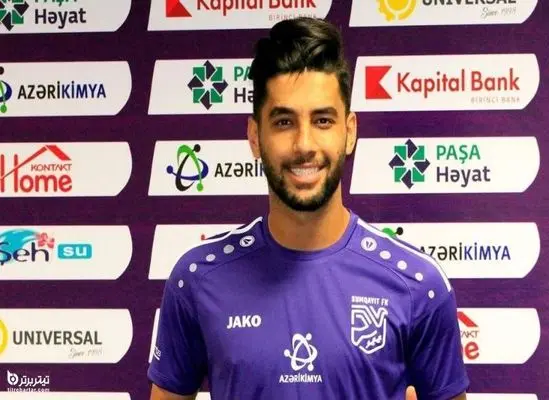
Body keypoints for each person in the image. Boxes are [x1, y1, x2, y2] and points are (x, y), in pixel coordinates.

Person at [148, 16, 469, 400]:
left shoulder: (418, 285)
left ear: (349, 131)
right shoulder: (198, 277)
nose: (304, 144)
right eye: (284, 122)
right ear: (255, 136)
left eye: (323, 120)